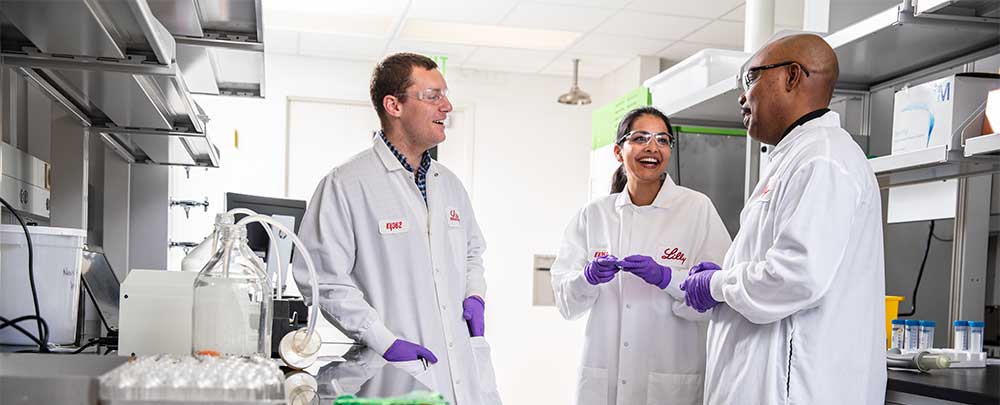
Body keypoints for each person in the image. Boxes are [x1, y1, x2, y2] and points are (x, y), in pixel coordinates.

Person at [679, 34, 886, 404]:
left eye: (751, 78)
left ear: (792, 77)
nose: (742, 97)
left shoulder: (823, 159)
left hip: (795, 389)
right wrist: (727, 278)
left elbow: (796, 276)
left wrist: (717, 285)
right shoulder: (797, 156)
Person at [293, 53, 500, 405]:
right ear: (394, 105)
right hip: (391, 377)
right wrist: (384, 341)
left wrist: (475, 294)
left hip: (462, 371)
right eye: (433, 96)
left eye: (445, 95)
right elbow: (322, 278)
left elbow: (472, 252)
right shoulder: (347, 184)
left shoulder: (448, 184)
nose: (447, 106)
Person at [550, 106, 732, 405]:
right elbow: (567, 304)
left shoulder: (697, 209)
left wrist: (668, 278)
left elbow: (720, 299)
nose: (652, 147)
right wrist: (586, 279)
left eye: (662, 140)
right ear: (619, 152)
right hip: (604, 378)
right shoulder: (594, 215)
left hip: (670, 379)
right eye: (640, 138)